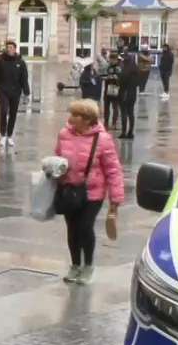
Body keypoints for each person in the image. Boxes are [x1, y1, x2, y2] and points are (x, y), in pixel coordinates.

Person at [53, 100, 124, 284]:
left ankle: (88, 266)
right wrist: (54, 168)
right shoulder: (64, 134)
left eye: (76, 115)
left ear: (87, 119)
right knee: (72, 228)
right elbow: (57, 157)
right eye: (71, 114)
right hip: (70, 189)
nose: (71, 118)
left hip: (93, 192)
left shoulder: (103, 139)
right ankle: (75, 265)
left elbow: (113, 170)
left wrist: (115, 199)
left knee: (85, 226)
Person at [0, 40, 30, 149]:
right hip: (3, 91)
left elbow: (24, 78)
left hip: (16, 92)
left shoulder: (20, 62)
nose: (9, 49)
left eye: (11, 47)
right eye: (7, 47)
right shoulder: (0, 60)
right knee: (4, 111)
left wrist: (26, 92)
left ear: (15, 49)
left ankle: (9, 135)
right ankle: (3, 134)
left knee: (13, 113)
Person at [117, 52, 143, 139]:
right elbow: (138, 84)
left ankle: (123, 132)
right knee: (131, 113)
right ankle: (130, 132)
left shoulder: (124, 72)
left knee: (124, 113)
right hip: (132, 95)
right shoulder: (136, 72)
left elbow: (120, 83)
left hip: (124, 95)